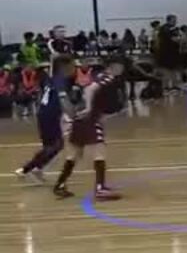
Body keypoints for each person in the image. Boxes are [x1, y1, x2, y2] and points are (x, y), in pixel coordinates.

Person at [52, 56, 126, 201]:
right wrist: (89, 108)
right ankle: (100, 189)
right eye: (119, 66)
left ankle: (60, 184)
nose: (121, 70)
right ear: (112, 66)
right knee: (99, 151)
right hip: (89, 119)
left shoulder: (101, 77)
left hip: (81, 120)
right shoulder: (106, 79)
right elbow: (90, 89)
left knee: (74, 154)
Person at [14, 55, 74, 184]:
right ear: (64, 67)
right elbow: (63, 99)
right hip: (49, 115)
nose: (73, 68)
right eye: (71, 65)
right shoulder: (60, 79)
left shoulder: (53, 79)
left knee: (54, 146)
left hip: (46, 114)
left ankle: (36, 168)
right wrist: (73, 115)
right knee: (53, 146)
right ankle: (26, 169)